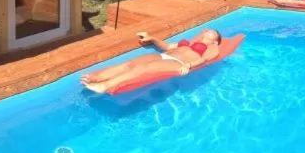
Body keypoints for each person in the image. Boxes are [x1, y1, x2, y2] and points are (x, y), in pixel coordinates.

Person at [80, 29, 222, 93]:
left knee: (142, 69)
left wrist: (189, 64)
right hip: (164, 55)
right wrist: (152, 38)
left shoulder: (212, 47)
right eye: (207, 29)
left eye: (211, 32)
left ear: (215, 41)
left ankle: (105, 85)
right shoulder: (188, 42)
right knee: (131, 63)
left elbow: (206, 58)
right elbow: (167, 46)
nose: (207, 30)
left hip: (177, 63)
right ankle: (98, 77)